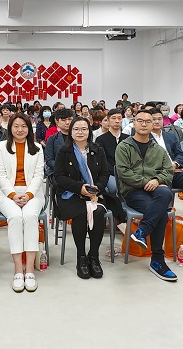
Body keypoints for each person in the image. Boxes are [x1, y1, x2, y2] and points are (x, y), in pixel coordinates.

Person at [115, 109, 177, 282]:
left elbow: (168, 172)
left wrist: (157, 180)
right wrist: (146, 182)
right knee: (160, 212)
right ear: (133, 124)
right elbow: (124, 173)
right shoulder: (124, 147)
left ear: (153, 125)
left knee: (165, 191)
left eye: (148, 121)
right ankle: (157, 260)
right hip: (132, 191)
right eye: (140, 121)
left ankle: (143, 231)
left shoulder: (158, 149)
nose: (144, 124)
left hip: (155, 189)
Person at [54, 117, 113, 279]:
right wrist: (79, 188)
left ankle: (93, 256)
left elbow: (104, 174)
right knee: (80, 213)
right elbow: (58, 176)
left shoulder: (98, 150)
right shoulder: (64, 151)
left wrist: (97, 188)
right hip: (70, 193)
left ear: (89, 131)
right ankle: (81, 257)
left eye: (84, 129)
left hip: (95, 194)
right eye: (76, 129)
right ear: (71, 132)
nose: (80, 132)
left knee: (98, 212)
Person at [0, 114, 45, 292]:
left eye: (24, 126)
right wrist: (13, 195)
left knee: (29, 216)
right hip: (6, 193)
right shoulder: (1, 147)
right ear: (10, 128)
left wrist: (28, 195)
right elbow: (0, 175)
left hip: (32, 192)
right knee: (15, 216)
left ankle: (29, 270)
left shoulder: (37, 148)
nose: (20, 129)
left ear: (29, 128)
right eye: (16, 126)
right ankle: (17, 270)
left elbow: (39, 175)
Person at [150, 109, 183, 190]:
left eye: (159, 119)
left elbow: (180, 154)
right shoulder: (145, 138)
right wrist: (167, 169)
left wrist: (175, 164)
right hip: (158, 174)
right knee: (164, 190)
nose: (157, 122)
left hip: (175, 171)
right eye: (154, 119)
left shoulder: (170, 136)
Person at [96, 109, 128, 194]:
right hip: (109, 172)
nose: (117, 121)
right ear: (108, 120)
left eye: (119, 118)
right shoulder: (100, 139)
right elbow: (102, 160)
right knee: (115, 188)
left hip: (127, 172)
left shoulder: (128, 138)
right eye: (113, 118)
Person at [44, 108, 74, 178]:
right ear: (57, 121)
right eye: (63, 120)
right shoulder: (52, 139)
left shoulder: (79, 137)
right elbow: (49, 160)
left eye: (70, 119)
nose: (67, 122)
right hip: (57, 172)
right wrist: (62, 168)